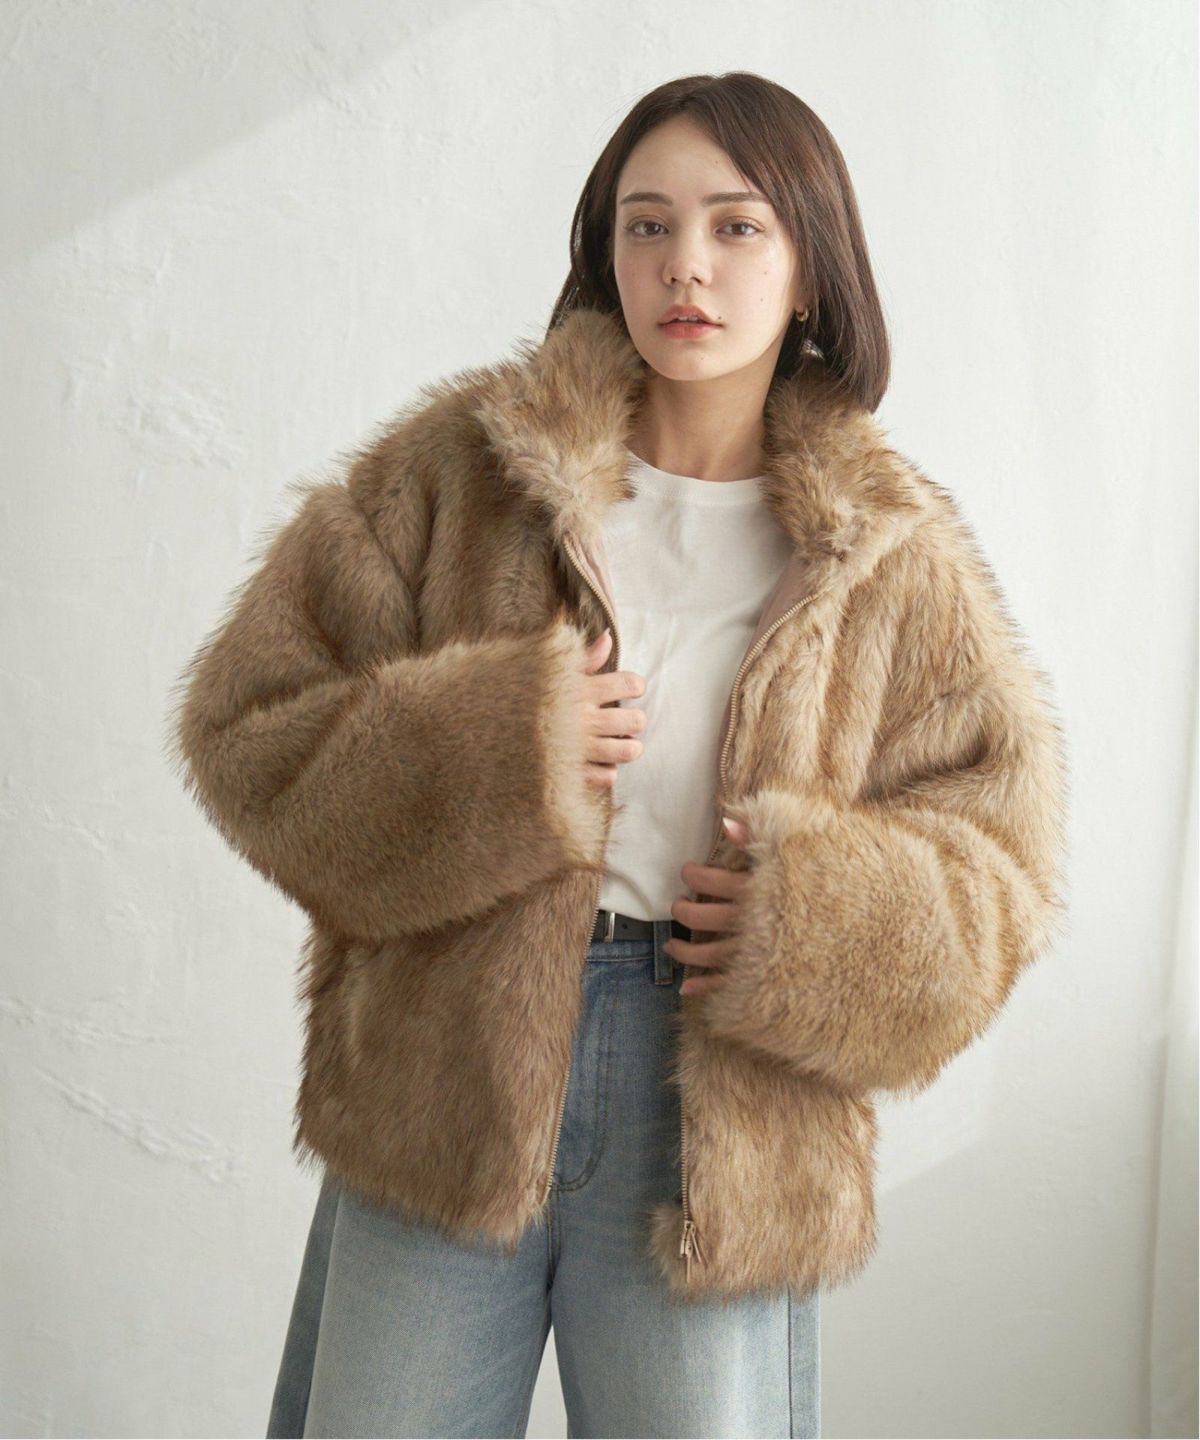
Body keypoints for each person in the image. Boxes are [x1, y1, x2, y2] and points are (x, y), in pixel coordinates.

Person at [167, 71, 1069, 1440]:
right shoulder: (468, 469)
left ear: (812, 268)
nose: (684, 265)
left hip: (717, 1121)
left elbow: (1002, 870)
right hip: (445, 1075)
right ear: (606, 253)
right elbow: (247, 724)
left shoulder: (887, 552)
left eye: (735, 226)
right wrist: (498, 744)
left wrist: (813, 919)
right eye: (647, 225)